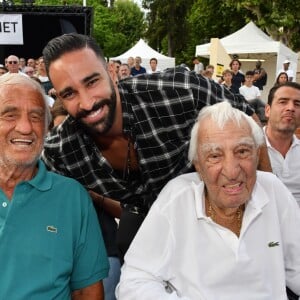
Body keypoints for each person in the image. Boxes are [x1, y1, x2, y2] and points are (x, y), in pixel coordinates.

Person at [41, 33, 272, 300]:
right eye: (70, 93)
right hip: (140, 219)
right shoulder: (61, 152)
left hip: (211, 212)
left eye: (92, 82)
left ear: (111, 71)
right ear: (57, 95)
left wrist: (264, 204)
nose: (87, 102)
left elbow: (249, 122)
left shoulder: (179, 91)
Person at [116, 101, 300, 300]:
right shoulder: (178, 197)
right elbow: (134, 280)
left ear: (257, 155)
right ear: (198, 165)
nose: (231, 171)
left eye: (242, 151)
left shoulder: (273, 190)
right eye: (215, 155)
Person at [0, 73, 109, 300]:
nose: (25, 127)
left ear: (47, 128)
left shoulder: (72, 198)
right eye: (10, 115)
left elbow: (87, 291)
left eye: (36, 116)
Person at [264, 82, 300, 206]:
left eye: (297, 104)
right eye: (283, 102)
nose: (291, 108)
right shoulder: (247, 148)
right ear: (268, 110)